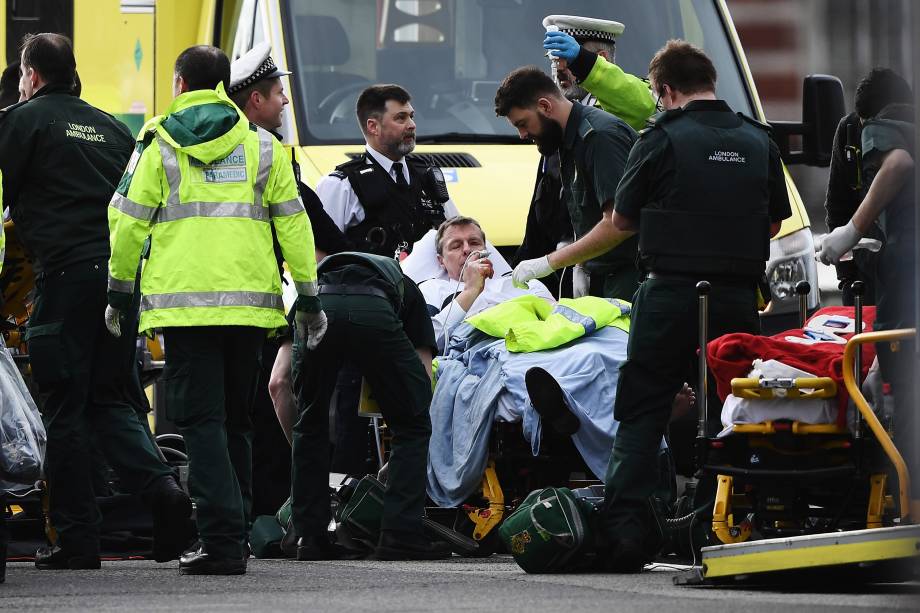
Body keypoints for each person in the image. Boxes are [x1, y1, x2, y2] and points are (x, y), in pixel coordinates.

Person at [106, 45, 323, 575]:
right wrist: (310, 296)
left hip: (185, 310)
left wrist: (117, 290)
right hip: (250, 308)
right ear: (226, 87)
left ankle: (223, 541)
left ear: (180, 85)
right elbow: (294, 224)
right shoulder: (262, 148)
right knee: (235, 423)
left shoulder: (157, 145)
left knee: (200, 424)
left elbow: (127, 220)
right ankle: (239, 532)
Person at [0, 33, 191, 570]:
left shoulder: (21, 121)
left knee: (63, 407)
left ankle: (77, 540)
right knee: (110, 399)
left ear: (32, 75)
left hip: (63, 280)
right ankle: (163, 493)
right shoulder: (112, 128)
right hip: (119, 283)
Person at [600, 40, 792, 572]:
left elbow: (620, 219)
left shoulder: (659, 137)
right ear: (710, 80)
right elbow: (775, 221)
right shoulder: (759, 140)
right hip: (734, 296)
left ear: (663, 91)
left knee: (642, 409)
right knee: (731, 411)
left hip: (668, 294)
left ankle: (625, 536)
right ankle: (720, 528)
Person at [312, 84, 454, 477]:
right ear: (373, 126)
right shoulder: (342, 184)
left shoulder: (428, 179)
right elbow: (320, 255)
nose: (411, 125)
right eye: (401, 117)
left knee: (415, 411)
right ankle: (346, 501)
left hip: (419, 315)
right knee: (351, 418)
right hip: (362, 318)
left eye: (412, 116)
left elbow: (456, 235)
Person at [227, 43, 351, 449]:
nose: (284, 101)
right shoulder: (270, 164)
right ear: (256, 99)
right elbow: (319, 244)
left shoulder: (237, 161)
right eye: (278, 92)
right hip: (264, 316)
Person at [290, 251, 449, 561]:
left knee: (310, 424)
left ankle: (309, 537)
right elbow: (422, 372)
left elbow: (278, 384)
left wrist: (302, 439)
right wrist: (405, 448)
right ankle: (401, 535)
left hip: (318, 301)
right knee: (413, 425)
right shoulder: (406, 286)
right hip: (374, 309)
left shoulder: (309, 287)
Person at [817, 67, 916, 501]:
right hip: (892, 273)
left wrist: (851, 231)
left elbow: (897, 163)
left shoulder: (886, 125)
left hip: (904, 266)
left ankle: (907, 492)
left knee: (903, 383)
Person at [516, 16, 655, 299]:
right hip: (571, 271)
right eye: (553, 61)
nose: (558, 72)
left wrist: (586, 63)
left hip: (621, 274)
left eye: (566, 62)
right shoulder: (560, 122)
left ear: (600, 59)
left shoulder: (617, 113)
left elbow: (644, 103)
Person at [495, 67, 639, 301]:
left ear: (544, 106)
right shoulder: (564, 141)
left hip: (629, 279)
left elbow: (619, 223)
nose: (522, 134)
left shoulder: (599, 137)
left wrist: (551, 262)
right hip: (605, 277)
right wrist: (581, 263)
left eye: (523, 123)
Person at [823, 68, 911, 305]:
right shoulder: (850, 132)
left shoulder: (903, 137)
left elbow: (898, 164)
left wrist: (853, 230)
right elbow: (837, 208)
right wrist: (848, 279)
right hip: (864, 283)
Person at [420, 216, 553, 351]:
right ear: (441, 260)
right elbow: (426, 341)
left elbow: (560, 320)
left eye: (474, 242)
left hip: (539, 345)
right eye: (456, 246)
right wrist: (470, 292)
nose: (467, 249)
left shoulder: (526, 282)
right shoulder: (432, 289)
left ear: (486, 250)